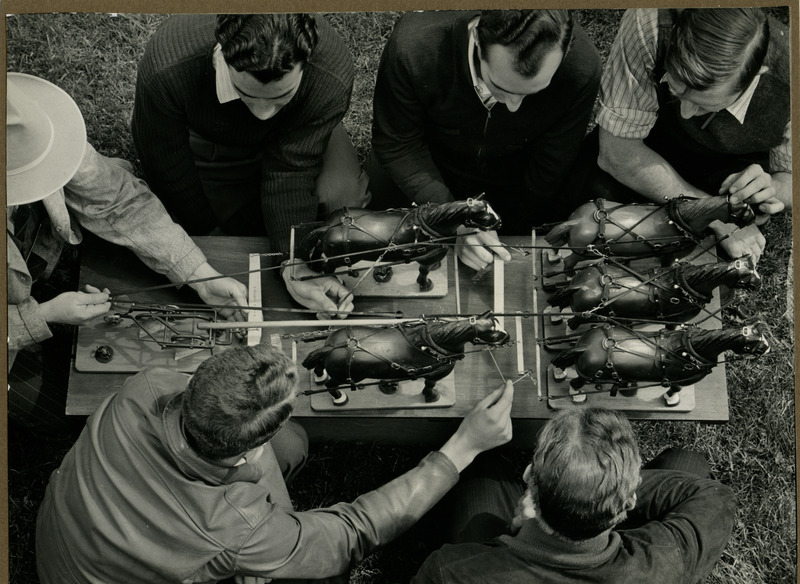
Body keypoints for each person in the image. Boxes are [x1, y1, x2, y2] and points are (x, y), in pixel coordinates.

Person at [35, 343, 514, 584]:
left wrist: (253, 547)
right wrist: (462, 449)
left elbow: (257, 455)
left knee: (291, 443)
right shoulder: (235, 530)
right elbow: (352, 534)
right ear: (244, 452)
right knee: (315, 581)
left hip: (65, 537)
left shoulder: (148, 383)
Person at [6, 72, 248, 432]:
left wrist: (199, 275)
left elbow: (119, 201)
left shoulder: (32, 126)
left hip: (35, 268)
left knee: (118, 176)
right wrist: (42, 314)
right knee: (62, 412)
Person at [133, 13, 371, 317]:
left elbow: (293, 164)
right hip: (213, 139)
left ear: (306, 63)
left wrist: (293, 260)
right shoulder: (168, 66)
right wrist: (211, 237)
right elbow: (166, 165)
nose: (263, 115)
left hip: (300, 134)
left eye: (281, 96)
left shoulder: (330, 73)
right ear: (222, 55)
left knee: (344, 202)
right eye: (245, 93)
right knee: (220, 238)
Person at [405, 406, 735, 584]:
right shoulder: (666, 564)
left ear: (529, 481)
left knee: (484, 468)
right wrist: (601, 489)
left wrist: (575, 487)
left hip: (503, 574)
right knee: (688, 464)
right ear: (630, 499)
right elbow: (712, 497)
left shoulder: (452, 574)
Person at [369, 9, 601, 271]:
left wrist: (508, 229)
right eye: (500, 87)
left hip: (512, 180)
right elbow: (398, 144)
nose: (513, 107)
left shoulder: (582, 68)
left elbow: (551, 165)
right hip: (427, 170)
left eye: (536, 91)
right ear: (476, 36)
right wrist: (453, 218)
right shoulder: (414, 45)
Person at [586, 8, 792, 264]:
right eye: (676, 89)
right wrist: (711, 214)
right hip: (652, 144)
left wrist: (773, 189)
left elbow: (789, 180)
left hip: (728, 171)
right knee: (589, 202)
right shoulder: (649, 23)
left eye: (704, 105)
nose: (685, 113)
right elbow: (616, 153)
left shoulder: (790, 70)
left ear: (755, 77)